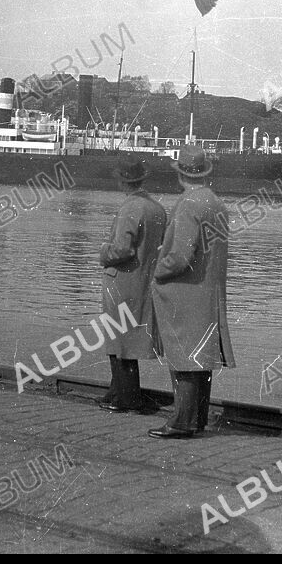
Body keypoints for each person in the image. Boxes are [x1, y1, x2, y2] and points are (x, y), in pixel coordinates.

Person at [149, 145, 235, 439]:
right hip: (209, 291)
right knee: (200, 359)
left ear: (180, 174)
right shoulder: (216, 203)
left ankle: (181, 422)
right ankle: (197, 419)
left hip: (185, 292)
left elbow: (180, 257)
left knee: (184, 356)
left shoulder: (188, 204)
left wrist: (156, 271)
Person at [99, 157, 167, 413]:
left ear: (121, 180)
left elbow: (121, 249)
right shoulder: (157, 208)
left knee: (119, 341)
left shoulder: (130, 207)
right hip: (144, 283)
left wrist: (103, 252)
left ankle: (125, 398)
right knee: (128, 339)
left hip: (122, 282)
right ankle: (116, 392)